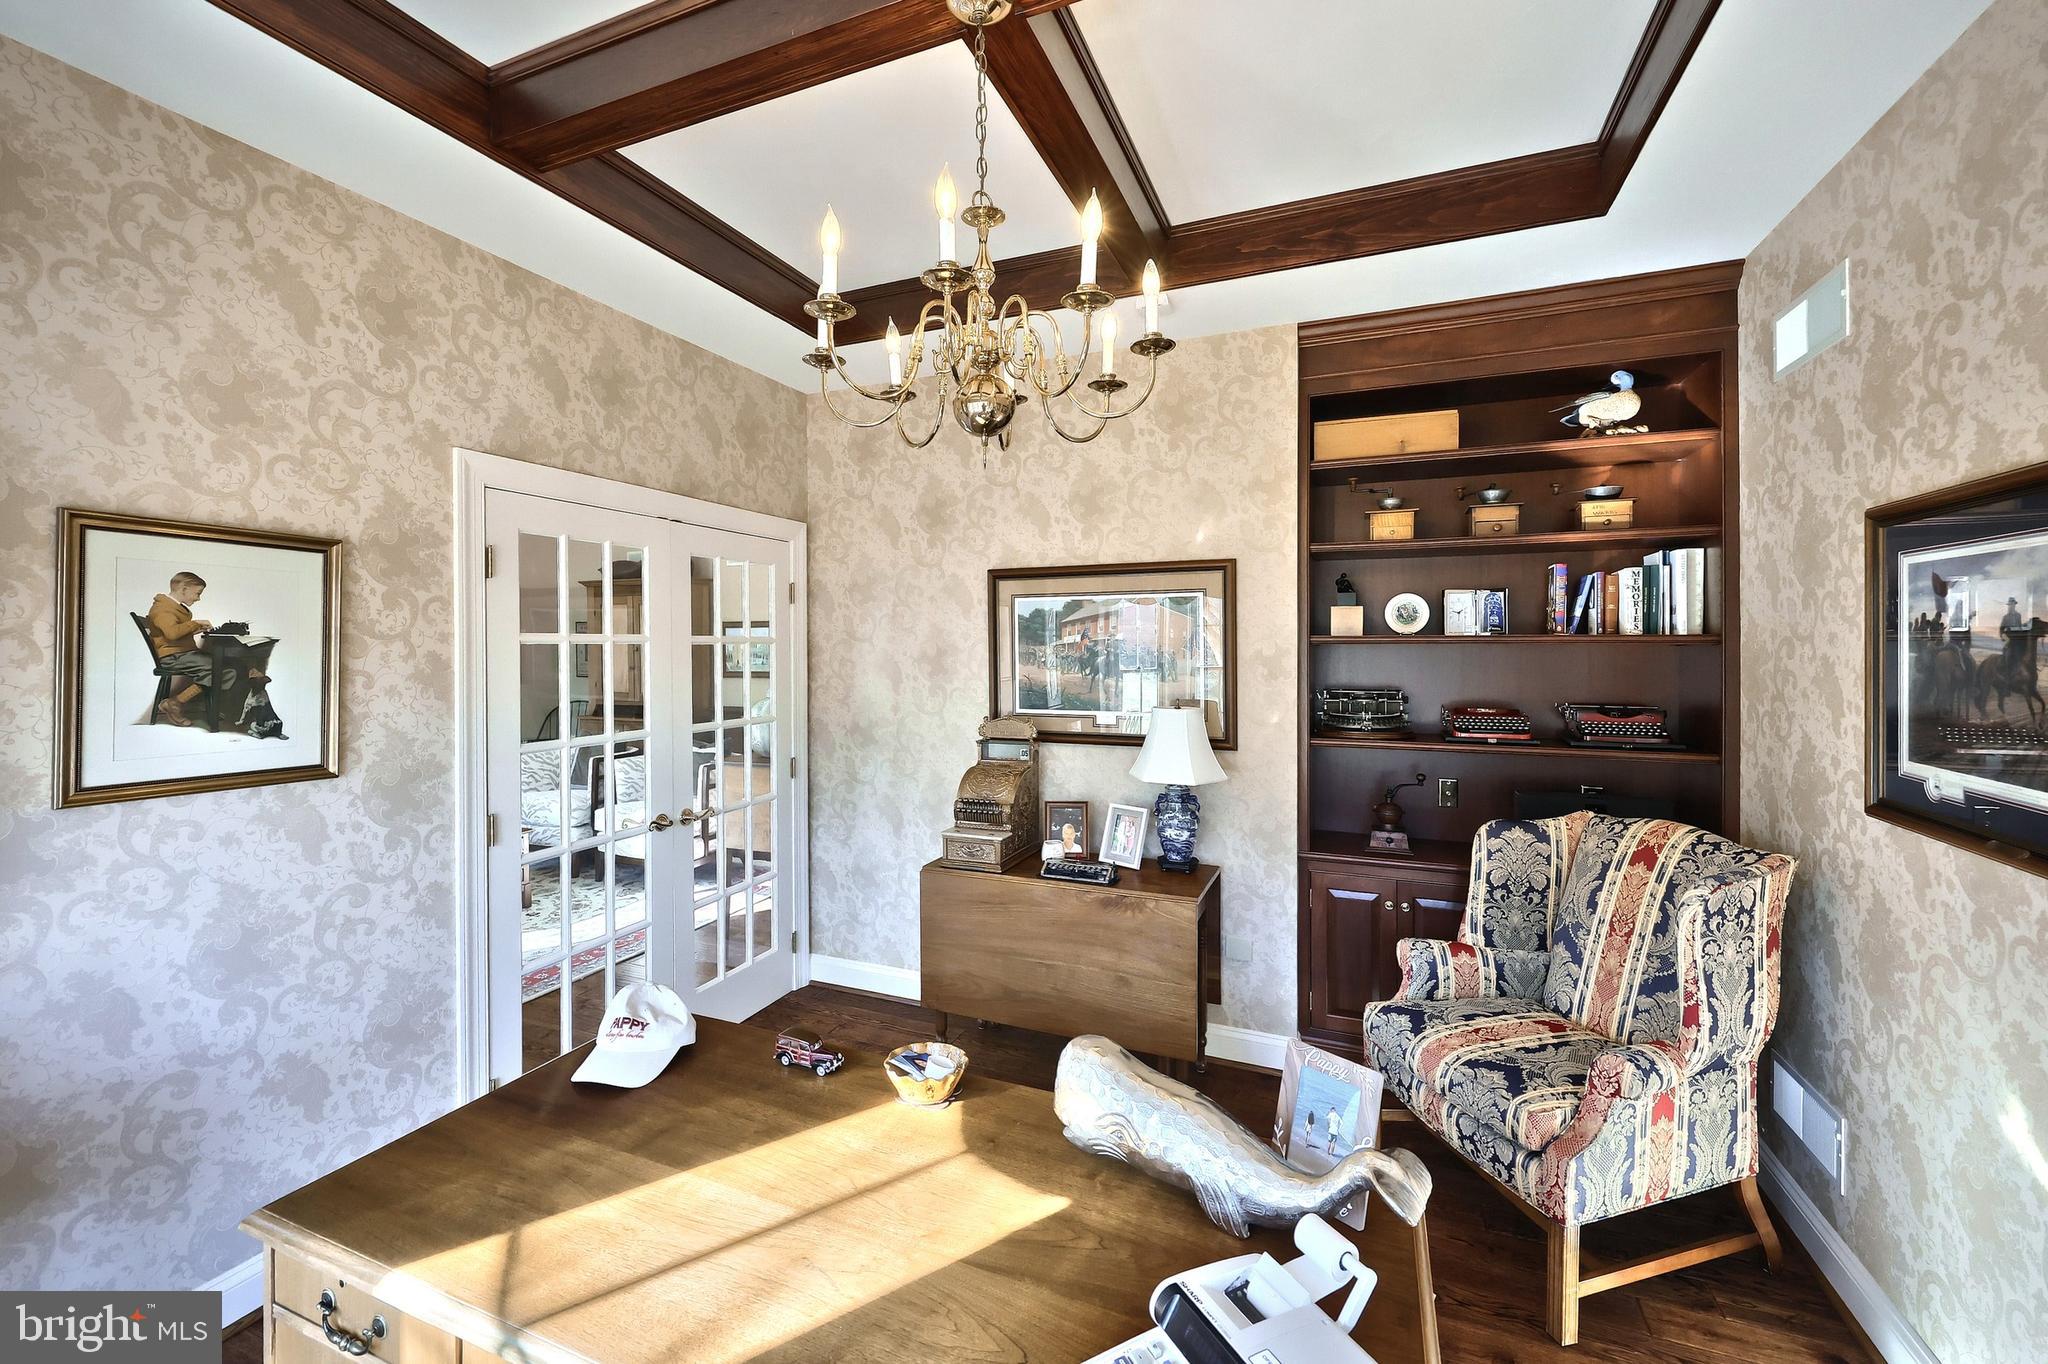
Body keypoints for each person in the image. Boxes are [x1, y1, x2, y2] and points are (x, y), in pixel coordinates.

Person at [143, 571, 262, 727]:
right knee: (223, 669)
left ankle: (205, 706)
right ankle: (175, 702)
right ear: (184, 589)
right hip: (172, 657)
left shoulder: (171, 607)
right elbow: (172, 633)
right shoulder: (162, 609)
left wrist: (193, 630)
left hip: (181, 654)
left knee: (228, 665)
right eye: (197, 593)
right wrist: (195, 623)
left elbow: (172, 633)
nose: (198, 598)